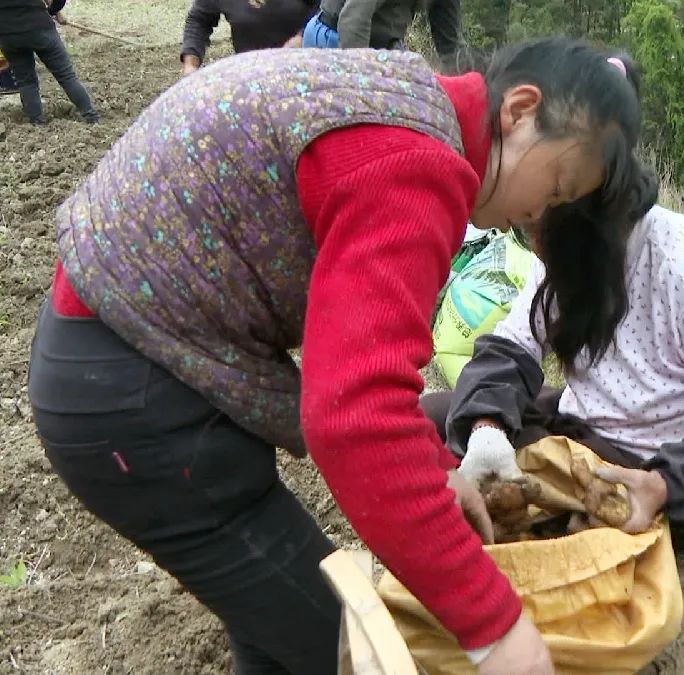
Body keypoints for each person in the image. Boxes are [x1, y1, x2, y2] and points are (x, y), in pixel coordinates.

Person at [29, 38, 645, 674]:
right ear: (520, 110)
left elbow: (362, 369)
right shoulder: (415, 163)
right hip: (133, 394)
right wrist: (498, 632)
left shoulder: (406, 97)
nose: (540, 213)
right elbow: (357, 417)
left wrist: (436, 470)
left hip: (131, 352)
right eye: (558, 184)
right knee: (342, 650)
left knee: (272, 618)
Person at [422, 202, 684, 549]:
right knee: (435, 415)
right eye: (529, 231)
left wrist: (665, 483)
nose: (536, 246)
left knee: (526, 493)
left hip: (653, 465)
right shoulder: (558, 244)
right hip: (583, 420)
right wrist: (488, 431)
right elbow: (514, 345)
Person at [0, 0, 97, 124]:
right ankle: (91, 117)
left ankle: (37, 122)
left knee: (26, 82)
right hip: (39, 27)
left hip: (9, 35)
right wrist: (53, 11)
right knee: (67, 76)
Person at [302, 0, 463, 71]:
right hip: (335, 39)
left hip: (384, 47)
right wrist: (362, 84)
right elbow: (352, 21)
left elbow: (450, 47)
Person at [179, 0, 319, 76]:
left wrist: (303, 36)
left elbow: (329, 10)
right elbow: (199, 20)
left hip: (305, 70)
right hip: (251, 74)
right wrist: (190, 64)